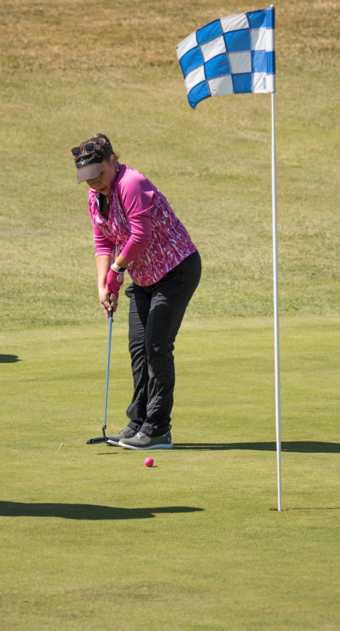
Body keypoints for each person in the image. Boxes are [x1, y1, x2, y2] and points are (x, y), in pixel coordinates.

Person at [74, 134, 201, 451]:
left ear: (112, 160)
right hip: (144, 279)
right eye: (88, 179)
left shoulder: (131, 183)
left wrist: (117, 272)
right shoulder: (95, 199)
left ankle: (158, 429)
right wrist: (103, 284)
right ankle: (138, 423)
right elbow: (103, 242)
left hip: (176, 270)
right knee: (139, 348)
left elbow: (141, 236)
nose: (95, 184)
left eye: (98, 174)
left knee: (157, 346)